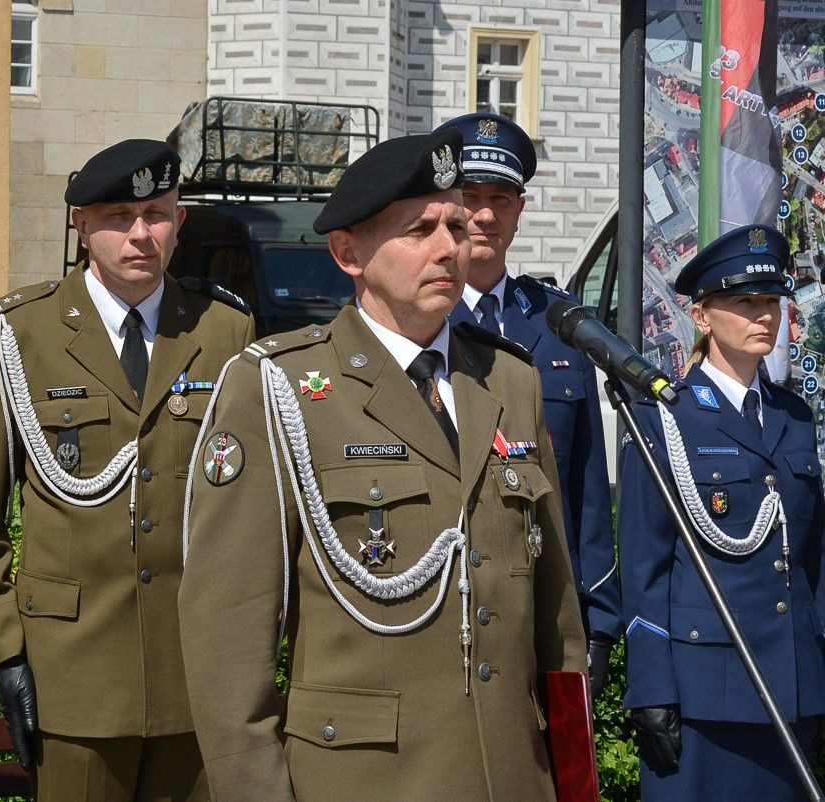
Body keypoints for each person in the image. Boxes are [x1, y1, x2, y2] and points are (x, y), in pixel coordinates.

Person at [178, 129, 586, 801]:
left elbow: (558, 619)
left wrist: (574, 781)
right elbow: (227, 640)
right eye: (417, 229)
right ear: (349, 253)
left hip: (512, 775)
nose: (448, 247)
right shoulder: (281, 388)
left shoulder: (509, 379)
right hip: (365, 779)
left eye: (454, 224)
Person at [0, 138, 254, 802]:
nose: (140, 234)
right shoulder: (20, 332)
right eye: (118, 216)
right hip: (73, 678)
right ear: (81, 225)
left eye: (156, 215)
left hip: (194, 678)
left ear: (180, 223)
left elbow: (247, 511)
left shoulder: (226, 331)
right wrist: (3, 654)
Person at [618, 224, 825, 800]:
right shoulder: (666, 418)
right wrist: (651, 688)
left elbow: (810, 561)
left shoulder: (794, 417)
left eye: (772, 302)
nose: (765, 316)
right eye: (745, 302)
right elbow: (644, 569)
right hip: (706, 693)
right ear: (703, 316)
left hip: (793, 689)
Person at [440, 112, 621, 693]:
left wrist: (599, 618)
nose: (485, 215)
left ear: (520, 209)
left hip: (548, 606)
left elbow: (587, 486)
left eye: (502, 198)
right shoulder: (423, 318)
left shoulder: (557, 320)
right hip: (448, 599)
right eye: (471, 196)